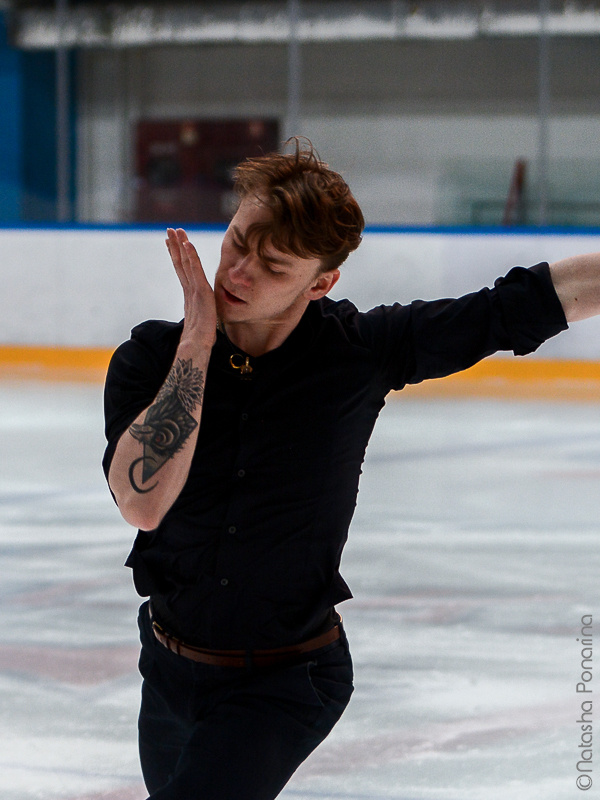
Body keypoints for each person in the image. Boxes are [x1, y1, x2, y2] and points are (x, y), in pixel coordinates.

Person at [103, 138, 598, 800]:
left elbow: (512, 307)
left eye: (273, 265)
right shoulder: (151, 357)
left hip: (283, 680)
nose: (240, 272)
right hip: (166, 670)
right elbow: (142, 503)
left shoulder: (360, 353)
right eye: (239, 241)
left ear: (322, 282)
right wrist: (196, 340)